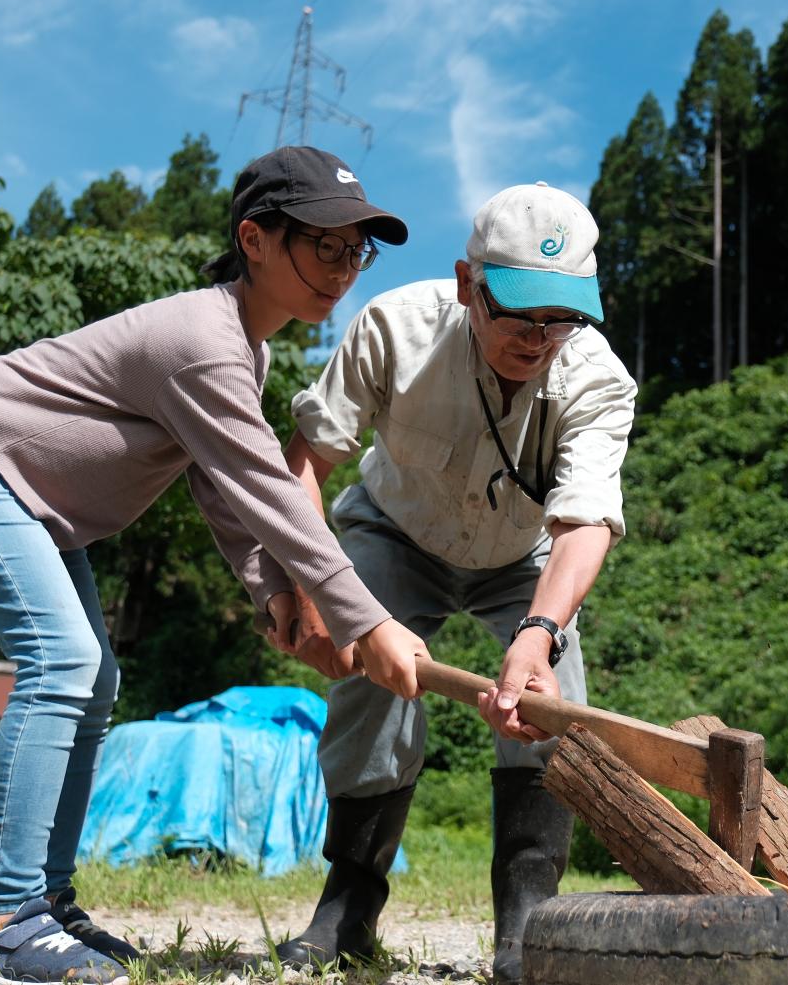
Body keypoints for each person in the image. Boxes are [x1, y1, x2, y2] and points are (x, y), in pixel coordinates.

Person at [0, 146, 429, 985]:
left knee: (94, 678)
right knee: (62, 661)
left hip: (32, 502)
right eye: (324, 244)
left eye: (355, 251)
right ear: (254, 239)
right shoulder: (202, 341)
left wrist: (278, 596)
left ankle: (45, 901)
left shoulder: (243, 351)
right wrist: (366, 617)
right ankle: (0, 920)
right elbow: (271, 490)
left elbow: (223, 493)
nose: (342, 269)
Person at [268, 182, 636, 982]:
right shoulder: (393, 328)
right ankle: (348, 905)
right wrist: (316, 588)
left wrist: (538, 635)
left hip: (522, 559)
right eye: (519, 315)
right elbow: (306, 463)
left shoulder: (599, 378)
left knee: (553, 701)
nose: (538, 339)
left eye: (560, 319)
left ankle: (527, 924)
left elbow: (584, 523)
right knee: (370, 686)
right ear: (470, 283)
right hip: (395, 533)